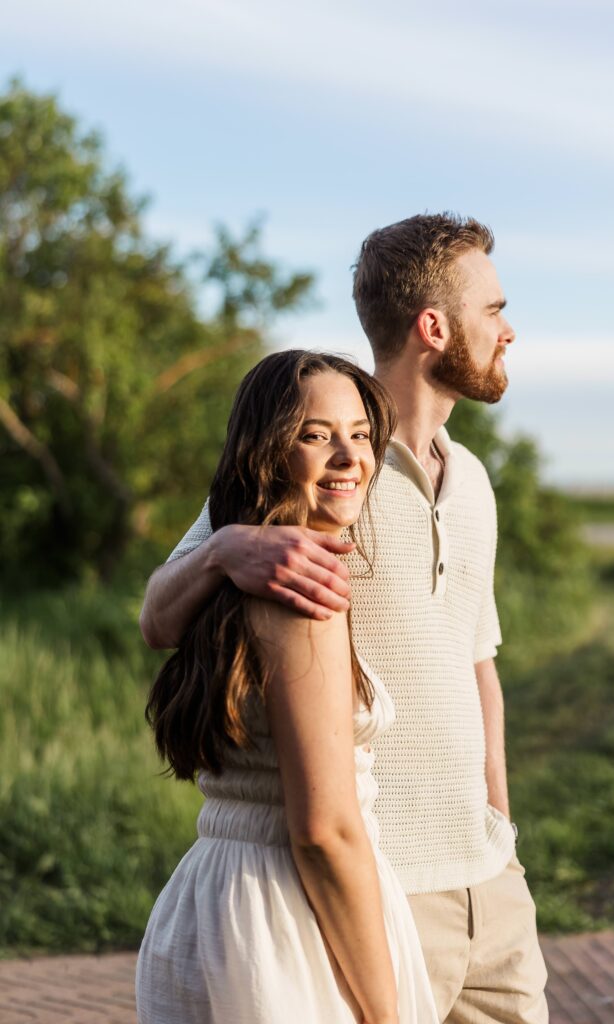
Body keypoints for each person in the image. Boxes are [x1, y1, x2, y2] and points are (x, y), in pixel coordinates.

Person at [140, 213, 549, 1024]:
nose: (508, 330)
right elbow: (159, 615)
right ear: (433, 326)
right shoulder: (322, 476)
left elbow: (478, 662)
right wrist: (224, 547)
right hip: (376, 888)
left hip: (489, 882)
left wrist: (498, 825)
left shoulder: (472, 480)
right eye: (493, 310)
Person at [135, 350, 439, 1024]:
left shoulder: (240, 571)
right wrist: (385, 1013)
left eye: (360, 435)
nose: (349, 458)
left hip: (215, 898)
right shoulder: (295, 588)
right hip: (286, 919)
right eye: (315, 435)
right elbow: (324, 831)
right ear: (267, 451)